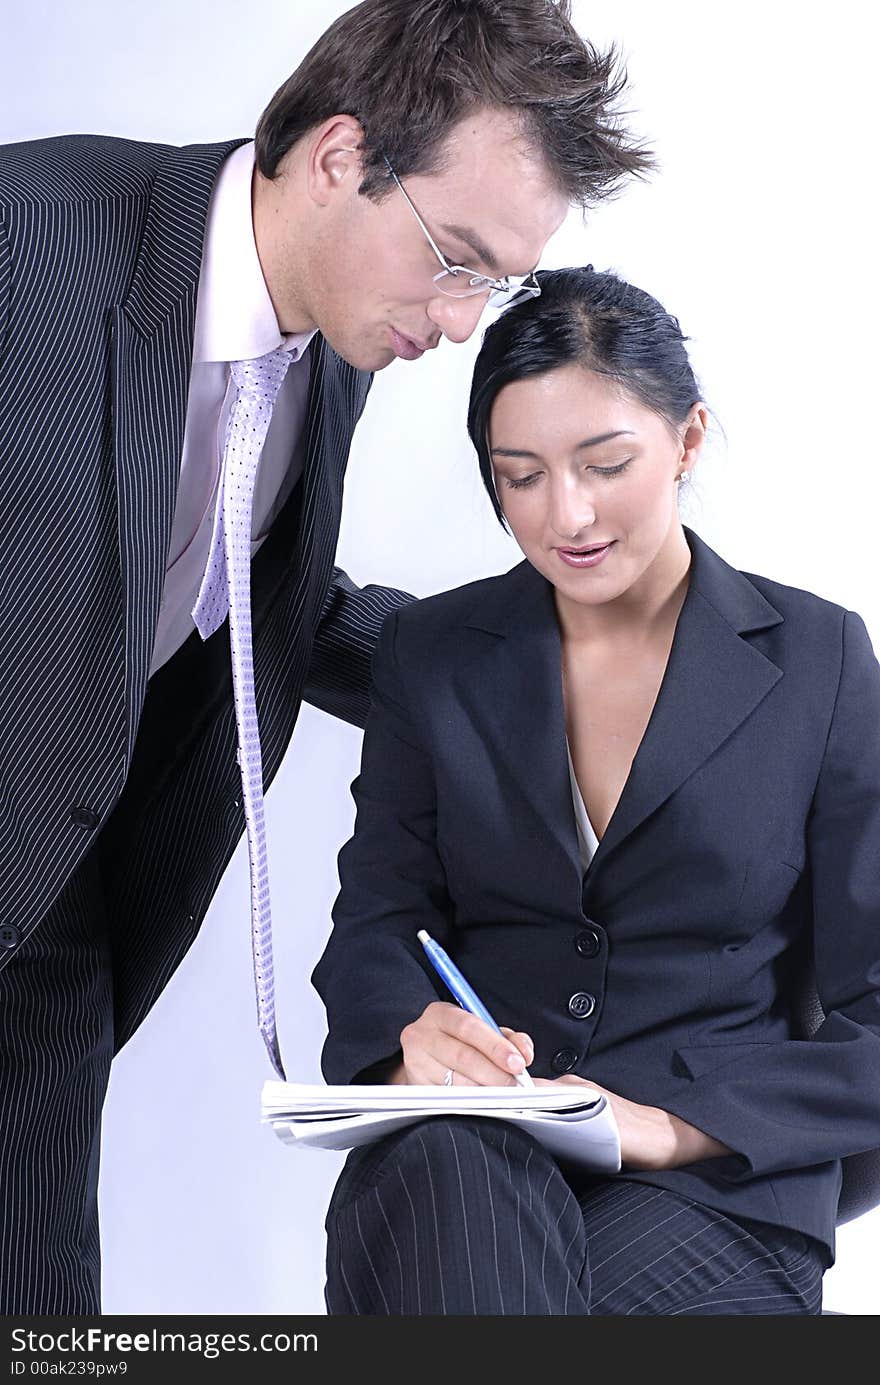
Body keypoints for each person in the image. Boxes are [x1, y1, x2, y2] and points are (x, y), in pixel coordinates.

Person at [0, 2, 653, 1315]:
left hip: (56, 926)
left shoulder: (334, 343)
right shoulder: (31, 239)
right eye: (456, 259)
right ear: (344, 155)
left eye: (500, 284)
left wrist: (554, 660)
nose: (467, 322)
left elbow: (255, 593)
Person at [312, 266, 880, 1315]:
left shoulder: (820, 659)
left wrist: (670, 1126)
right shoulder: (434, 654)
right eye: (518, 475)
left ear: (688, 441)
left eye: (602, 463)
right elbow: (379, 918)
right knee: (454, 1196)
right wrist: (407, 1043)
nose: (562, 513)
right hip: (468, 1152)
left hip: (713, 1183)